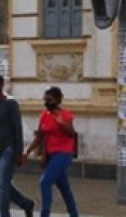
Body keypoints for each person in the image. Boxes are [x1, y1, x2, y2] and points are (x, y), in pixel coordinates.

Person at [0, 74, 34, 217]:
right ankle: (26, 204)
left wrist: (19, 152)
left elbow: (17, 129)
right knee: (2, 185)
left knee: (2, 183)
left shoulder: (11, 104)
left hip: (8, 148)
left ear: (1, 85)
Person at [24, 85, 80, 217]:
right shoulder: (44, 115)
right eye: (45, 100)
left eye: (49, 100)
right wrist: (28, 152)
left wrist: (62, 123)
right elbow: (40, 137)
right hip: (50, 154)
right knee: (64, 187)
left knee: (45, 182)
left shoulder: (65, 115)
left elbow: (72, 134)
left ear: (57, 100)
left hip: (63, 154)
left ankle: (45, 214)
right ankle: (74, 213)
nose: (46, 103)